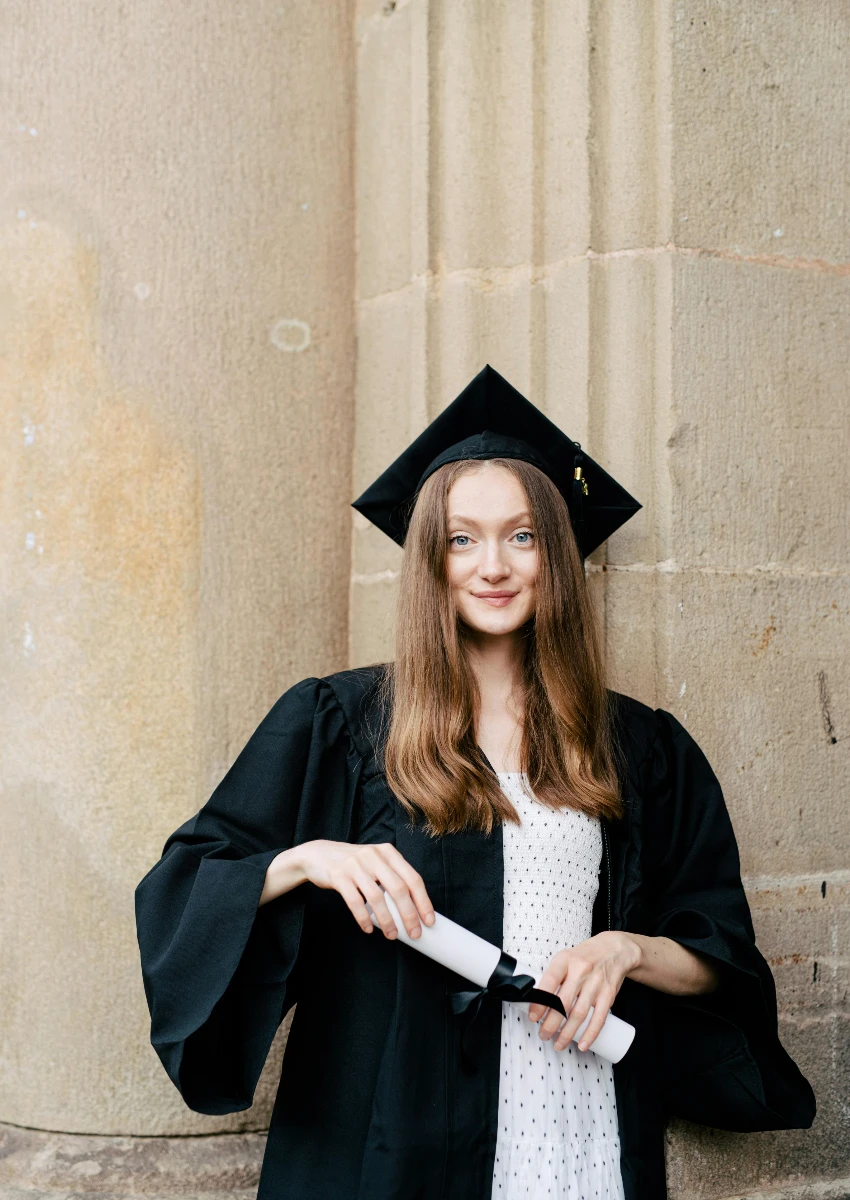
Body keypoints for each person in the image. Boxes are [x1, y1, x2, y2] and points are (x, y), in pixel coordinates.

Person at [135, 365, 815, 1200]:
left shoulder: (639, 746)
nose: (493, 565)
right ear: (432, 557)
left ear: (556, 555)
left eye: (522, 536)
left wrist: (624, 950)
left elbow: (722, 960)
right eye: (463, 539)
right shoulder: (342, 723)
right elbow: (185, 886)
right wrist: (311, 859)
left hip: (576, 1117)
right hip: (392, 1135)